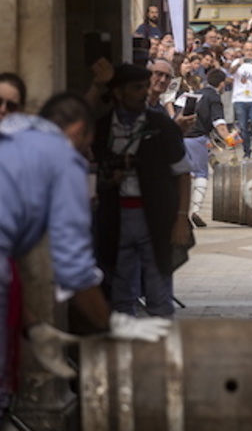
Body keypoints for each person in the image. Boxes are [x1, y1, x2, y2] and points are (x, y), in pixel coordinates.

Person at [0, 92, 172, 431]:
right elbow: (74, 270)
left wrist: (33, 325)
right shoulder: (63, 158)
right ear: (79, 130)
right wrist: (112, 323)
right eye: (86, 143)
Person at [92, 64, 193, 317]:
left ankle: (162, 351)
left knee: (159, 290)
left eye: (145, 87)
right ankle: (125, 350)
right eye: (137, 88)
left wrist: (181, 218)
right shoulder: (103, 128)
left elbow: (182, 172)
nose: (144, 93)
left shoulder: (160, 125)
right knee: (120, 292)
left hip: (156, 218)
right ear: (118, 92)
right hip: (116, 218)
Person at [184, 69, 235, 228]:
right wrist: (230, 144)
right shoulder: (214, 98)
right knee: (201, 174)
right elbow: (219, 124)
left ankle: (180, 212)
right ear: (221, 84)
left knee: (184, 175)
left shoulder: (194, 94)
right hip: (197, 138)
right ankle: (195, 211)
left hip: (180, 137)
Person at [228, 41, 252, 159]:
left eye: (251, 50)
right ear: (243, 51)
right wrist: (238, 64)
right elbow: (231, 72)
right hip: (240, 98)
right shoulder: (237, 62)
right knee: (243, 126)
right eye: (247, 50)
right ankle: (246, 151)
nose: (249, 53)